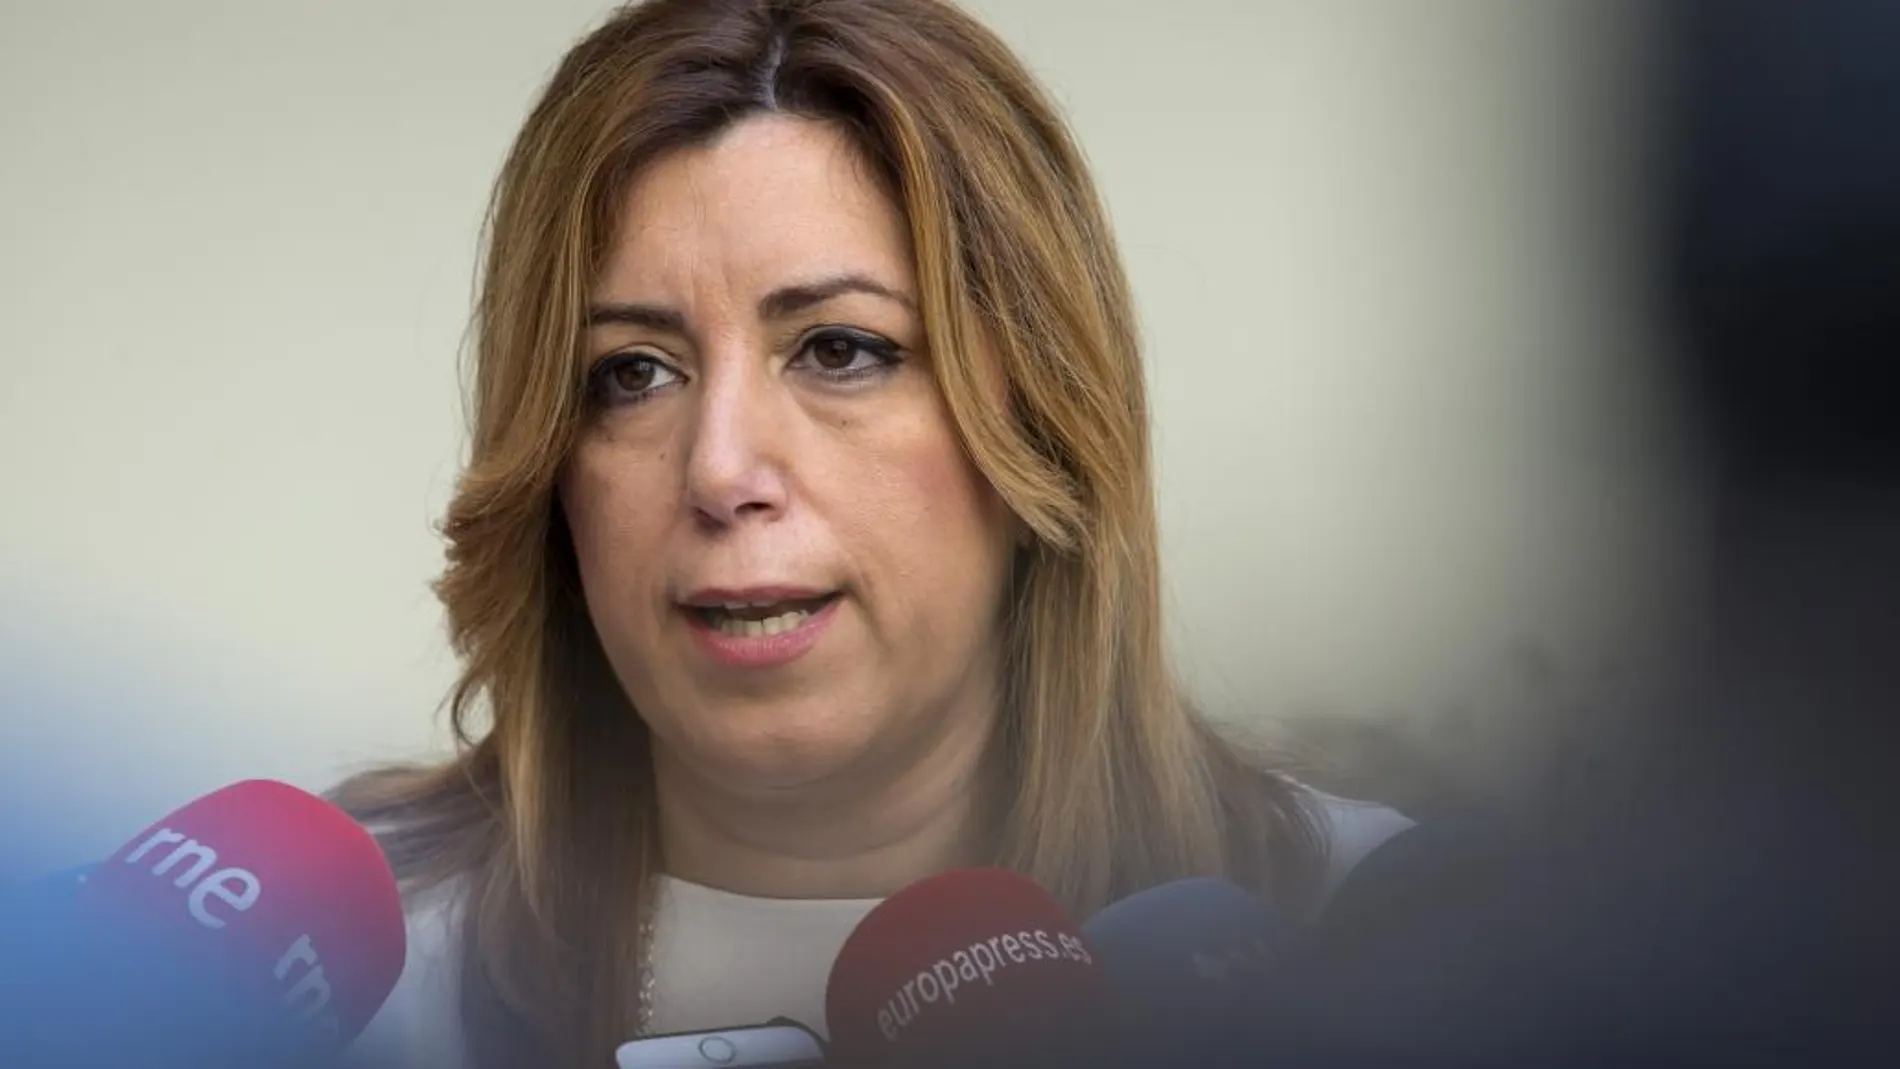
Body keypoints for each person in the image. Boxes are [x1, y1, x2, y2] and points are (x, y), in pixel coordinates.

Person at [334, 2, 1410, 1067]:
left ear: (1041, 424)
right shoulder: (349, 989)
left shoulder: (1379, 942)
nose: (720, 471)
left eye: (839, 350)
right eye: (634, 372)